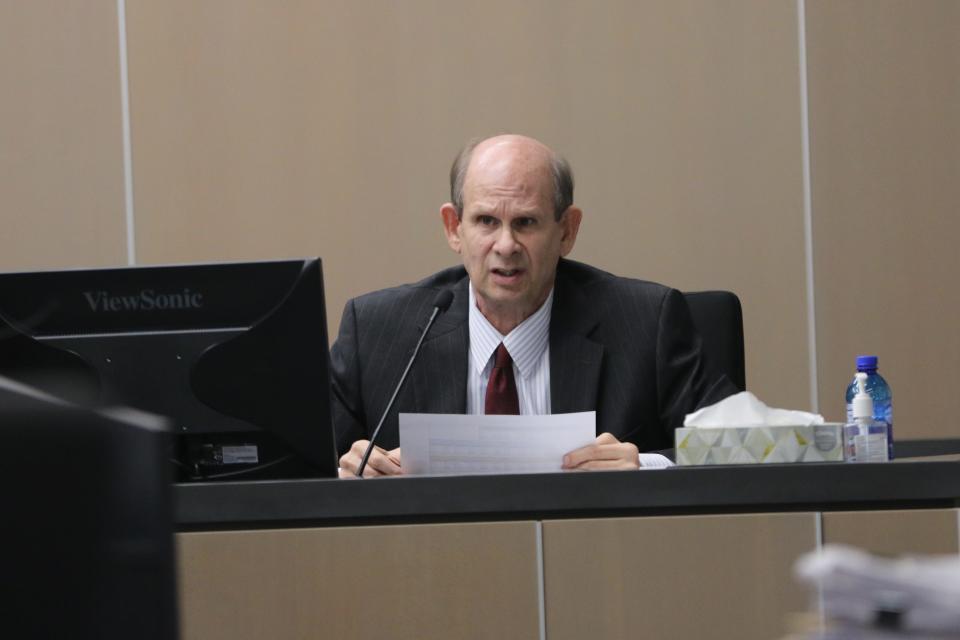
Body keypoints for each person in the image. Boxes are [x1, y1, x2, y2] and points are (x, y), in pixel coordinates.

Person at [332, 134, 735, 477]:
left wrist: (645, 465)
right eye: (487, 221)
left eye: (526, 223)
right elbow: (291, 468)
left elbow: (742, 451)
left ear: (567, 231)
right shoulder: (376, 332)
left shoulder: (648, 322)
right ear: (454, 228)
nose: (505, 246)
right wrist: (343, 470)